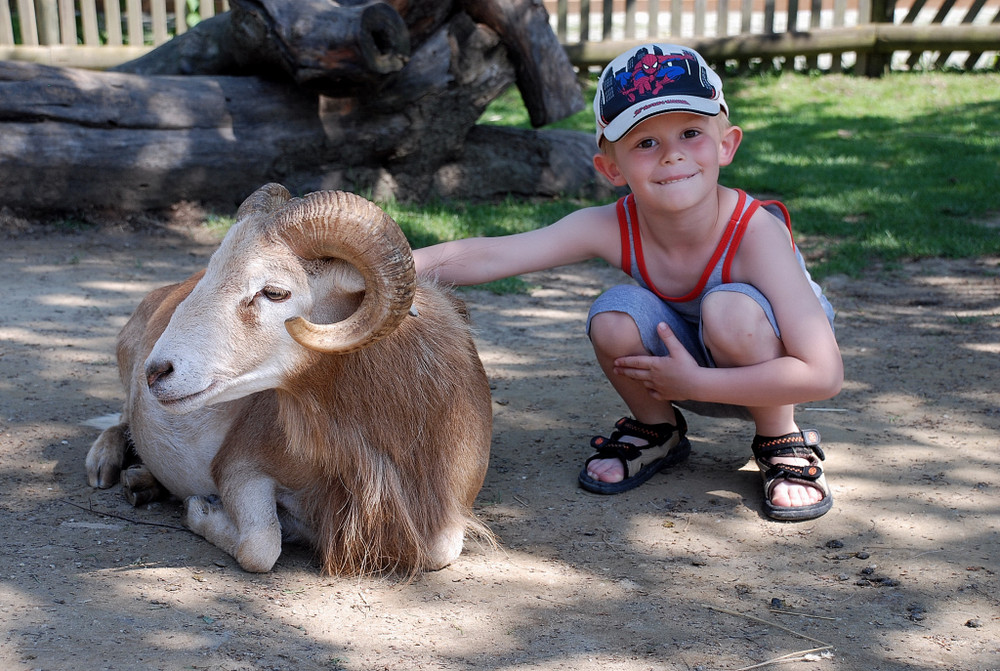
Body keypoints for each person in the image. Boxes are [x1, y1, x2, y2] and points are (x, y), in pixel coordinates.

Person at [412, 44, 843, 521]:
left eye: (691, 132)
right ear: (611, 168)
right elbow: (494, 253)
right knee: (614, 314)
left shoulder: (757, 233)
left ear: (726, 144)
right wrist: (391, 262)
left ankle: (780, 438)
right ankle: (657, 430)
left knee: (731, 311)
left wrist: (696, 380)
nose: (672, 155)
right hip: (680, 368)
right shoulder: (614, 225)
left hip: (767, 371)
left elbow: (824, 374)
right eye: (645, 143)